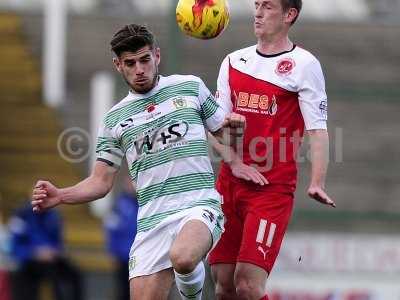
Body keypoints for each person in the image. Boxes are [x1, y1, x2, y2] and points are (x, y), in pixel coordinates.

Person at [32, 24, 245, 300]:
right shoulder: (114, 119)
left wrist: (236, 129)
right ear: (118, 65)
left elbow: (225, 136)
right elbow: (100, 181)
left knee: (183, 257)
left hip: (198, 204)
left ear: (156, 55)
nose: (139, 69)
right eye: (130, 63)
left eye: (144, 60)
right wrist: (61, 195)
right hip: (151, 223)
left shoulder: (190, 87)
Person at [208, 1, 336, 299]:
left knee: (248, 284)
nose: (258, 12)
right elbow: (214, 130)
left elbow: (317, 129)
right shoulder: (233, 61)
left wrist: (317, 182)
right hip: (229, 183)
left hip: (270, 189)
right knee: (224, 283)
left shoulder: (304, 65)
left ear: (290, 15)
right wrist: (235, 157)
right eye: (256, 5)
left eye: (267, 6)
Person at [8, 204, 83, 300]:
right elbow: (15, 246)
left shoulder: (53, 215)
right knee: (22, 275)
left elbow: (58, 242)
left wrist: (55, 251)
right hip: (28, 260)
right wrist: (34, 252)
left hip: (51, 260)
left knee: (73, 273)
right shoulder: (21, 215)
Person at [104, 176, 138, 300]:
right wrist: (112, 251)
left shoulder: (146, 205)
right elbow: (111, 229)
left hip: (142, 255)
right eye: (131, 182)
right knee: (123, 291)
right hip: (124, 257)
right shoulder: (119, 206)